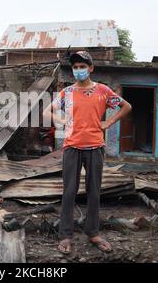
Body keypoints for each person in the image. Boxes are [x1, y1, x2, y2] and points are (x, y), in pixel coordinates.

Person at [43, 51, 132, 255]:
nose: (79, 70)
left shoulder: (103, 91)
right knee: (69, 192)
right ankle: (65, 235)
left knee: (94, 192)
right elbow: (47, 111)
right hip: (72, 147)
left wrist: (109, 122)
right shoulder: (67, 93)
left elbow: (127, 106)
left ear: (91, 68)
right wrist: (63, 121)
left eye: (83, 66)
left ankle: (93, 232)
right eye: (75, 67)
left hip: (95, 147)